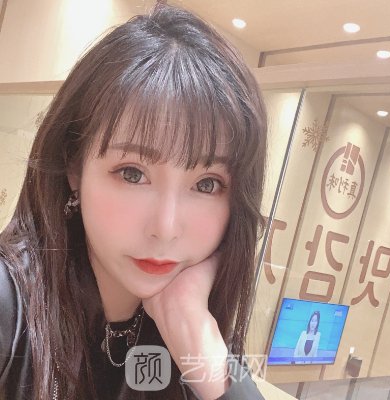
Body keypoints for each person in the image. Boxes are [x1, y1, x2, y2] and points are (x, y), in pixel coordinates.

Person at [0, 4, 267, 400]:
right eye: (132, 174)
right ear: (74, 167)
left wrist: (197, 338)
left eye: (207, 184)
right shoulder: (9, 305)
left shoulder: (186, 323)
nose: (166, 227)